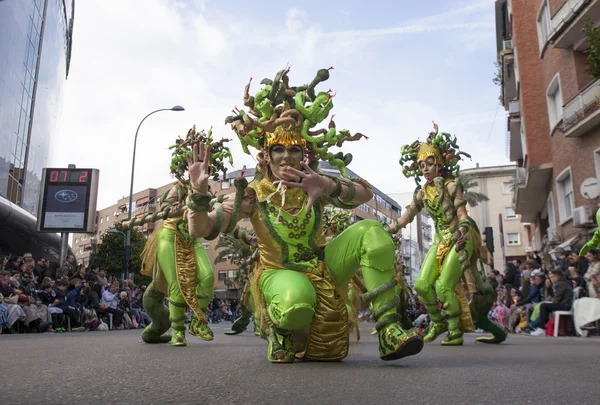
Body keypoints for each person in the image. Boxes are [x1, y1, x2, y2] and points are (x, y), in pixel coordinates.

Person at [186, 67, 423, 363]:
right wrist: (197, 192)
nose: (287, 156)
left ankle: (389, 331)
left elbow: (366, 195)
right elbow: (200, 229)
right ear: (266, 155)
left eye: (294, 150)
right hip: (279, 273)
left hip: (323, 268)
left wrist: (327, 184)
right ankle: (280, 332)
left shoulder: (317, 182)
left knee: (373, 234)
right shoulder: (253, 194)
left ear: (304, 154)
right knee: (296, 305)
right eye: (278, 150)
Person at [389, 123, 506, 345]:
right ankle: (438, 322)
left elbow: (462, 214)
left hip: (460, 237)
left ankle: (455, 331)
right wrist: (388, 229)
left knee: (443, 286)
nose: (425, 168)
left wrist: (462, 230)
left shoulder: (452, 186)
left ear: (439, 163)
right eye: (421, 164)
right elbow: (406, 217)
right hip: (440, 240)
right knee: (422, 285)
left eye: (429, 163)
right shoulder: (422, 193)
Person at [124, 127, 234, 346]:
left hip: (191, 239)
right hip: (170, 237)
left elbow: (214, 220)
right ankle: (177, 331)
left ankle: (197, 321)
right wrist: (185, 206)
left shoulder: (207, 190)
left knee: (208, 277)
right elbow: (166, 207)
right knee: (177, 284)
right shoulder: (178, 188)